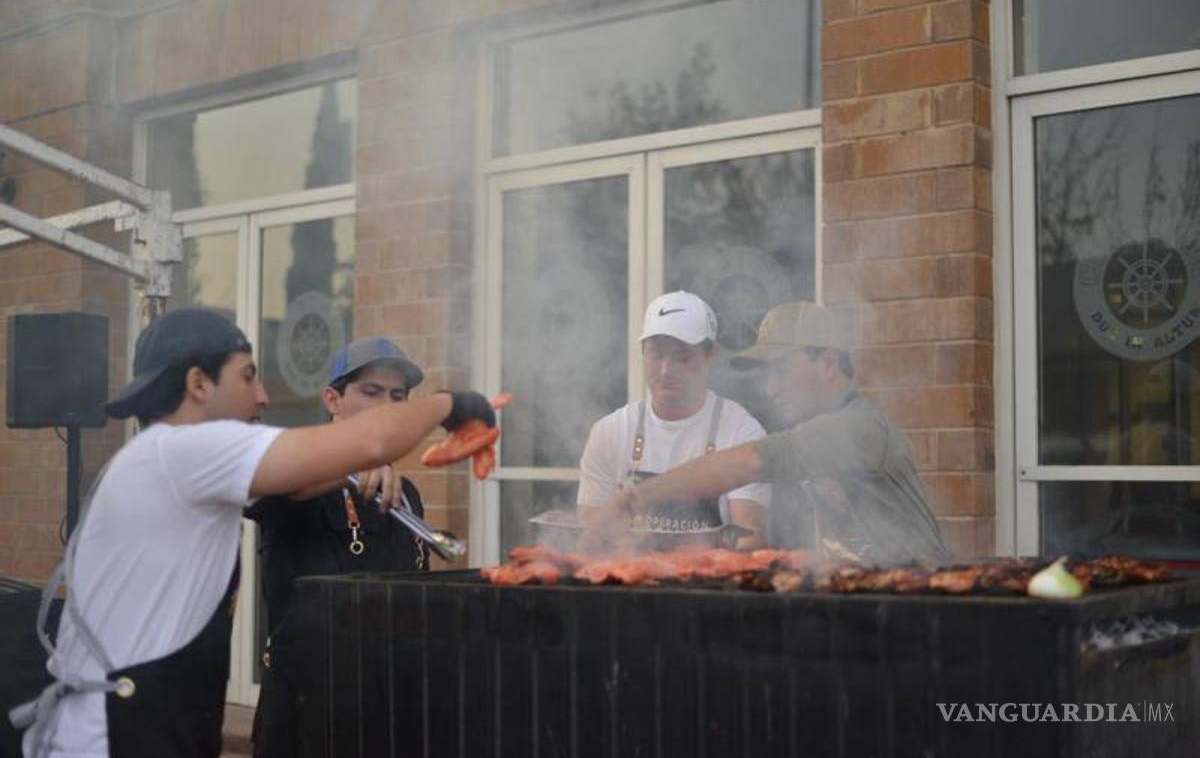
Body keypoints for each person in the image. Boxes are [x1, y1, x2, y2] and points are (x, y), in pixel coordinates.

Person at [12, 308, 495, 758]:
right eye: (247, 376)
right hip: (110, 737)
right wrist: (455, 405)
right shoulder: (184, 451)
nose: (263, 396)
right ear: (198, 384)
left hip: (151, 726)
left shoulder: (178, 462)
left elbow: (310, 478)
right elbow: (367, 440)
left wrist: (367, 466)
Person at [587, 301, 951, 565]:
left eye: (779, 371)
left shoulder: (855, 427)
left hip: (919, 600)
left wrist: (632, 499)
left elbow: (748, 462)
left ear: (827, 363)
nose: (770, 389)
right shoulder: (817, 431)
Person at [245, 336, 433, 758]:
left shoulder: (408, 496)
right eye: (371, 392)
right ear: (332, 399)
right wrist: (351, 463)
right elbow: (271, 487)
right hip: (304, 707)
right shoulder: (295, 477)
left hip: (386, 704)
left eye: (398, 396)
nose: (387, 405)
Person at [576, 291, 770, 548]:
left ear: (710, 356)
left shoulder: (741, 431)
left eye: (682, 357)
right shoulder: (610, 432)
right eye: (656, 355)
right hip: (628, 578)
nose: (666, 370)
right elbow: (589, 537)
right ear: (642, 354)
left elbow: (749, 538)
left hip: (709, 583)